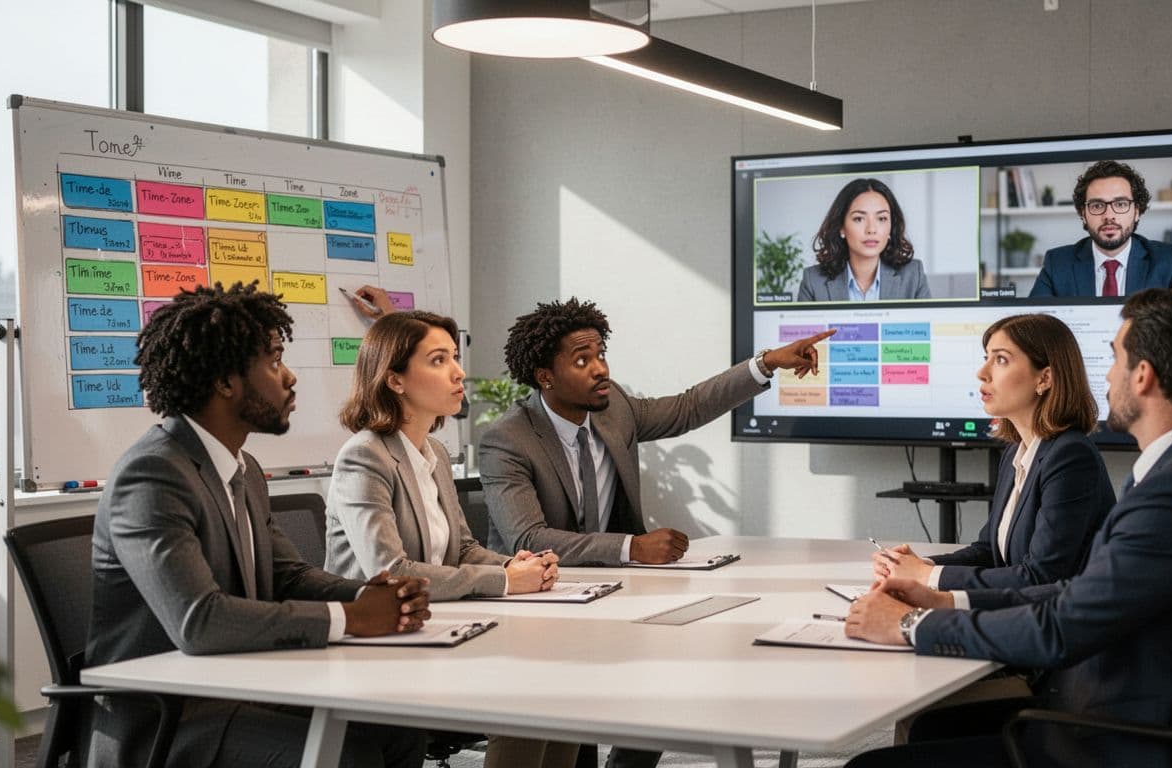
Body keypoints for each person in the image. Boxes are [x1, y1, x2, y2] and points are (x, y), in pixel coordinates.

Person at [844, 289, 1172, 768]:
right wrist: (945, 598)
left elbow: (1059, 627)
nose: (1108, 375)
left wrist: (911, 625)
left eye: (1114, 357)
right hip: (1152, 718)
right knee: (929, 727)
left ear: (1143, 376)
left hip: (1113, 739)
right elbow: (1078, 593)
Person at [86, 283, 429, 768]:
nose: (290, 377)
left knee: (397, 727)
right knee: (347, 754)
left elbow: (286, 575)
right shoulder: (154, 474)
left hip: (240, 686)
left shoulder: (240, 469)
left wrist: (369, 595)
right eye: (273, 360)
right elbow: (198, 622)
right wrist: (351, 619)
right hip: (170, 719)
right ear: (226, 381)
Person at [325, 308, 578, 768]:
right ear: (395, 380)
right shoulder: (363, 457)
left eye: (455, 358)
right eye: (439, 360)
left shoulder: (435, 452)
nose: (460, 372)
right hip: (379, 644)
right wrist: (504, 583)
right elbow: (390, 571)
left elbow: (461, 547)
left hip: (435, 624)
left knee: (556, 687)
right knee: (528, 695)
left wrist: (513, 565)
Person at [480, 297, 833, 567]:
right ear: (545, 377)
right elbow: (527, 538)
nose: (601, 369)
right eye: (582, 361)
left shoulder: (614, 407)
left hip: (613, 584)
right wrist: (631, 547)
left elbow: (688, 407)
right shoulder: (509, 440)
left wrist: (767, 362)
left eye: (601, 354)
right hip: (533, 595)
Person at [873, 313, 1113, 591]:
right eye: (986, 357)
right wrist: (920, 566)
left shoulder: (1071, 457)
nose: (982, 372)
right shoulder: (1015, 453)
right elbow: (989, 552)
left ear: (1044, 378)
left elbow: (1039, 577)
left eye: (1000, 359)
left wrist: (926, 578)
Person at [1029, 160, 1172, 297]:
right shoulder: (1057, 263)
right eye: (1097, 205)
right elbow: (1034, 328)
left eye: (1120, 204)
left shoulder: (1169, 261)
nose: (1109, 215)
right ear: (1083, 214)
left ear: (1137, 212)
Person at [796, 178, 931, 302]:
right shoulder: (813, 281)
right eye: (859, 219)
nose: (871, 229)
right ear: (841, 227)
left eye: (882, 219)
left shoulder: (914, 276)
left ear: (891, 226)